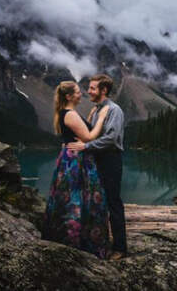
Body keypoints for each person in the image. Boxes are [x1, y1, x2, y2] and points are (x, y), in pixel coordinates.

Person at [42, 81, 110, 259]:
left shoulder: (67, 113)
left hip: (71, 158)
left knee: (72, 197)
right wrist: (101, 118)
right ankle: (79, 243)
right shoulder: (70, 114)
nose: (82, 94)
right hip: (76, 160)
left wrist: (92, 114)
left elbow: (81, 130)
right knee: (78, 198)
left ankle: (70, 240)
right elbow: (88, 137)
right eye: (78, 92)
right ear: (69, 96)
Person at [67, 74, 127, 260]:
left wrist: (86, 147)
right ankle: (100, 242)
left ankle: (120, 248)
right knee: (96, 203)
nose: (88, 91)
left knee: (113, 203)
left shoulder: (114, 110)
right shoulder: (96, 110)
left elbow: (111, 139)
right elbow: (91, 135)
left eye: (92, 88)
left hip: (110, 160)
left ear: (103, 90)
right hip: (96, 161)